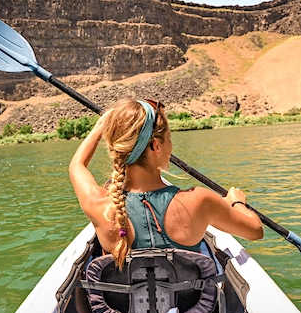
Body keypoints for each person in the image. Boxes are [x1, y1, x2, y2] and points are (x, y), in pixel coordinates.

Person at [69, 99, 263, 269]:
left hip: (121, 311)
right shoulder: (200, 200)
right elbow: (256, 231)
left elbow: (76, 165)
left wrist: (100, 126)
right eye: (169, 139)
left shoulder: (99, 205)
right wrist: (237, 203)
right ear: (156, 146)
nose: (171, 146)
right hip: (189, 309)